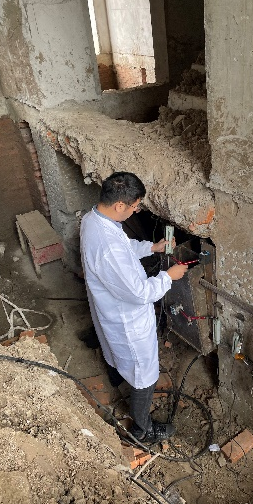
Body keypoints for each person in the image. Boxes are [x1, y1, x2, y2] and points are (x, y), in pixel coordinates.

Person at [80, 172, 188, 444]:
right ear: (120, 205)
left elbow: (124, 247)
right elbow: (141, 293)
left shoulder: (94, 219)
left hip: (109, 309)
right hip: (126, 321)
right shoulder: (107, 248)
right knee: (145, 372)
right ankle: (141, 430)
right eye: (135, 206)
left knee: (116, 354)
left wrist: (152, 247)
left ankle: (117, 380)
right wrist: (169, 276)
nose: (135, 211)